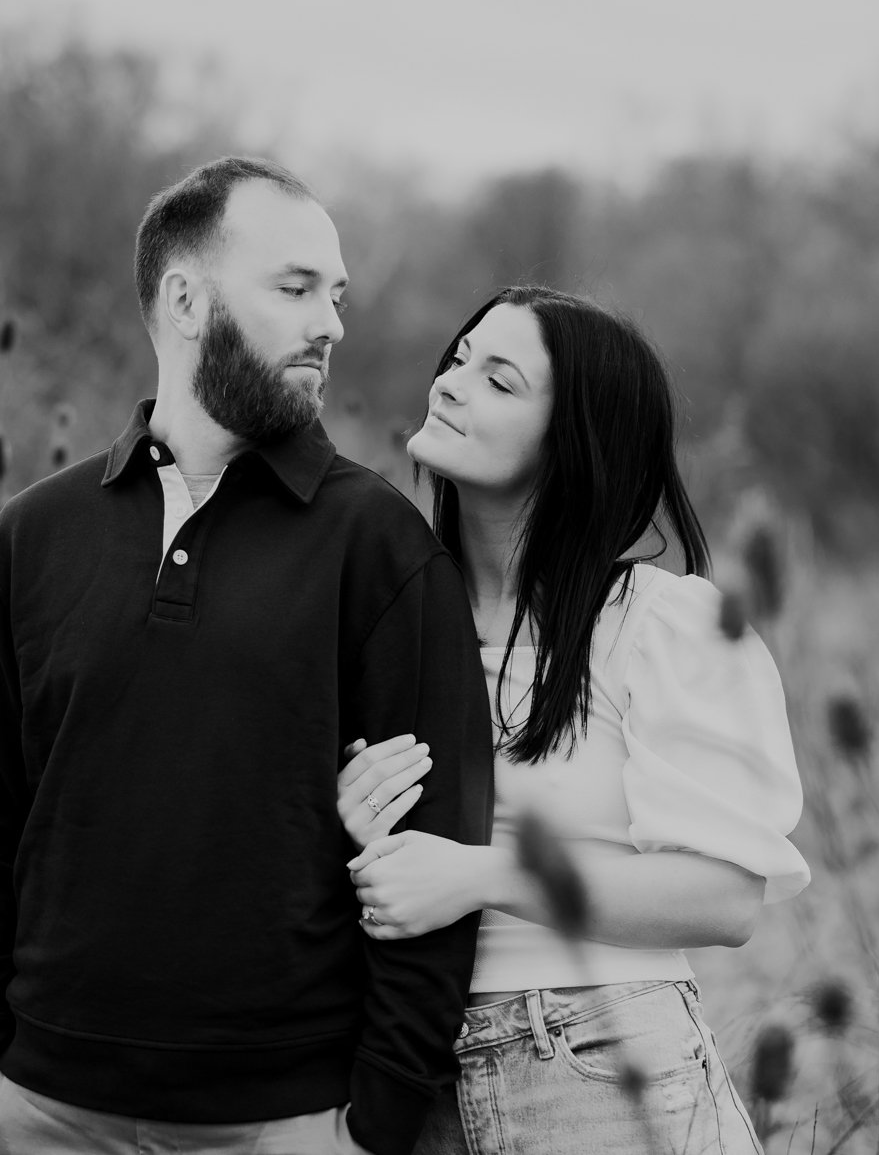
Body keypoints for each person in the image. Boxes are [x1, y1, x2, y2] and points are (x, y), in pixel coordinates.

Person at [0, 156, 493, 1155]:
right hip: (45, 1112)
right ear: (186, 299)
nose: (331, 323)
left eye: (337, 294)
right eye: (294, 288)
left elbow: (435, 857)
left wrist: (374, 1123)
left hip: (289, 1121)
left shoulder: (379, 544)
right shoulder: (30, 539)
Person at [336, 286, 809, 1154]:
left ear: (573, 447)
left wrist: (481, 875)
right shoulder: (386, 619)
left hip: (598, 1068)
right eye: (459, 358)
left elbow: (725, 894)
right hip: (406, 1074)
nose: (450, 383)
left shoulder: (657, 625)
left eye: (499, 380)